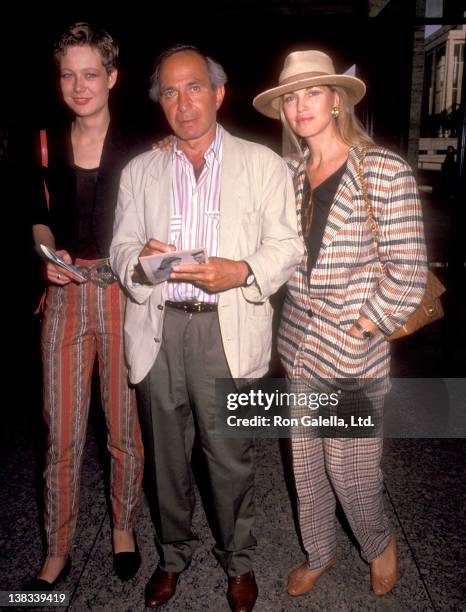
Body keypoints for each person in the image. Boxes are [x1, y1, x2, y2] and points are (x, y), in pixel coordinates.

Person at [110, 44, 303, 611]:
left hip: (228, 329)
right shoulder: (141, 170)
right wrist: (136, 259)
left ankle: (238, 561)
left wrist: (241, 270)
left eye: (194, 87)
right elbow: (121, 248)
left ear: (218, 94)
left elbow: (287, 246)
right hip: (159, 330)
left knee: (229, 459)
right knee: (167, 462)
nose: (182, 101)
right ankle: (173, 557)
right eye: (169, 91)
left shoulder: (261, 163)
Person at [253, 50, 427, 597]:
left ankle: (378, 544)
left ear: (336, 101)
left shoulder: (381, 170)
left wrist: (362, 328)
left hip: (353, 355)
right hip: (299, 349)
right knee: (305, 470)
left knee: (351, 475)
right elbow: (234, 182)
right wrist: (177, 147)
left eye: (312, 93)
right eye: (291, 97)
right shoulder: (288, 174)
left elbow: (409, 272)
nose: (300, 106)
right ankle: (319, 552)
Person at [27, 22, 144, 589]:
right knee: (63, 431)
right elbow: (35, 215)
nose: (79, 86)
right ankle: (57, 547)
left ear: (112, 77)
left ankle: (124, 526)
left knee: (123, 425)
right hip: (67, 293)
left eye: (90, 74)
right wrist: (44, 253)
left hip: (123, 293)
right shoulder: (45, 139)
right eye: (68, 75)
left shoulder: (143, 141)